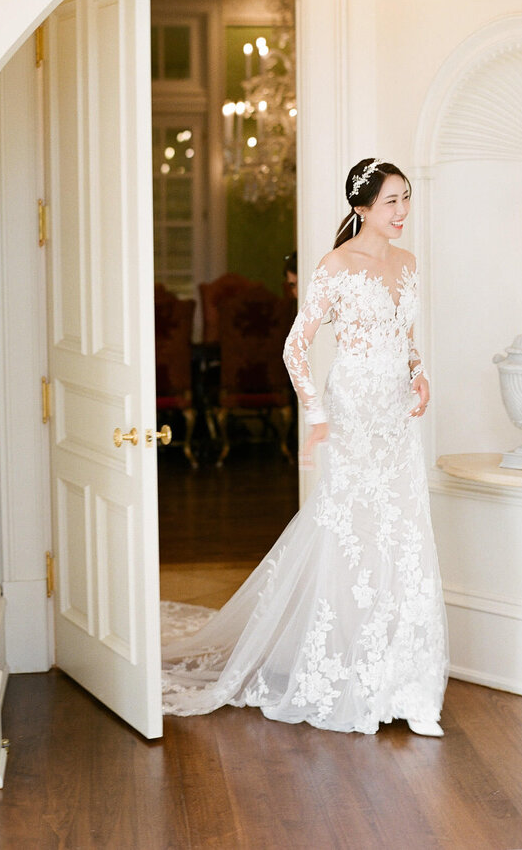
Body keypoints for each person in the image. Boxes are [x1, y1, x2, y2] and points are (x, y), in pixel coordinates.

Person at [161, 158, 448, 736]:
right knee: (350, 535)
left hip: (396, 415)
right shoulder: (335, 267)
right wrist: (317, 417)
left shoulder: (410, 265)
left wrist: (419, 374)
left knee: (404, 532)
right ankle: (344, 678)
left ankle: (408, 685)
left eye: (406, 199)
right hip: (351, 413)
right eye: (391, 201)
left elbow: (406, 338)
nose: (402, 212)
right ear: (362, 207)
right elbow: (296, 348)